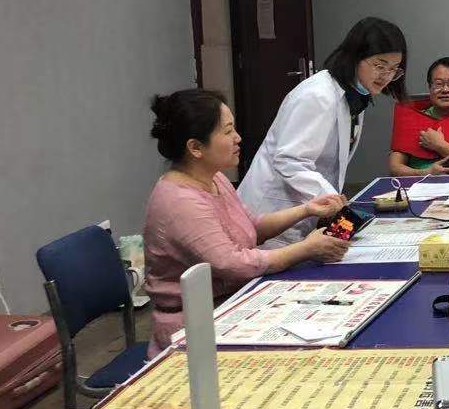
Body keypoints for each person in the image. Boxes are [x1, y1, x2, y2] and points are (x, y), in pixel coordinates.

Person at [142, 89, 349, 357]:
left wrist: (306, 210)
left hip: (232, 304)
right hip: (195, 328)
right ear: (195, 148)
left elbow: (251, 227)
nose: (238, 138)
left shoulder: (214, 179)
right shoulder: (180, 201)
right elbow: (233, 264)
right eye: (228, 131)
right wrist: (305, 249)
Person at [238, 17, 407, 245]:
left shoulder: (355, 95)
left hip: (304, 210)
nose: (386, 76)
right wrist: (333, 200)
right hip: (272, 211)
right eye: (380, 66)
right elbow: (290, 160)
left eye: (394, 69)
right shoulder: (317, 95)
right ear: (355, 57)